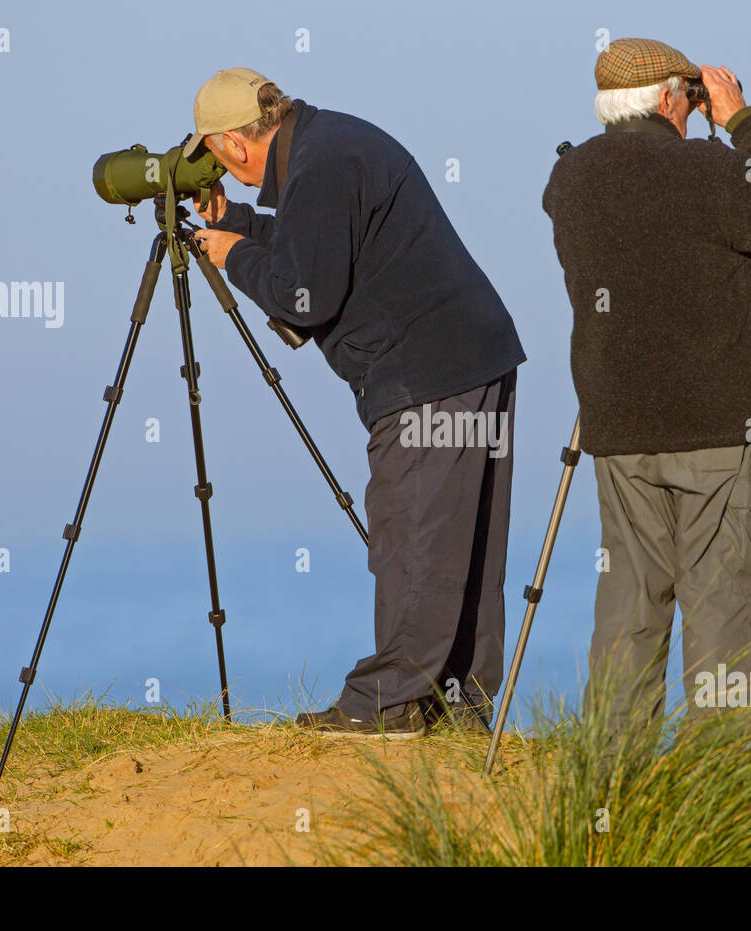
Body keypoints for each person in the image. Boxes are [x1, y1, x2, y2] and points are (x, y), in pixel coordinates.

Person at [187, 68, 526, 738]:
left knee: (414, 537)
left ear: (233, 143)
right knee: (465, 546)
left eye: (213, 156)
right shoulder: (327, 147)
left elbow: (304, 296)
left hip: (429, 374)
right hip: (470, 359)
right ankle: (457, 709)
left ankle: (387, 706)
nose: (217, 169)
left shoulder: (320, 165)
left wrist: (232, 258)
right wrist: (238, 224)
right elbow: (319, 247)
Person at [542, 39, 751, 740]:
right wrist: (738, 119)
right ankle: (718, 784)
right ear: (674, 97)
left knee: (629, 600)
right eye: (691, 95)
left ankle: (614, 777)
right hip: (713, 428)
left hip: (616, 428)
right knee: (721, 604)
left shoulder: (569, 181)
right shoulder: (709, 171)